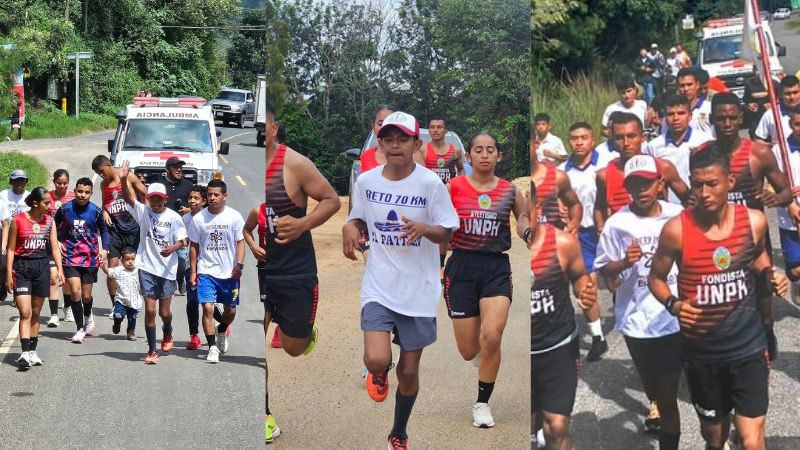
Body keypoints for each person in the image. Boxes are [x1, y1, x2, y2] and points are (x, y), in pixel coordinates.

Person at [649, 146, 788, 450]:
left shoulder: (753, 222)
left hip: (748, 347)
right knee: (714, 436)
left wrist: (769, 274)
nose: (704, 192)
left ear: (730, 182)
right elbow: (655, 278)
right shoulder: (676, 230)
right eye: (697, 184)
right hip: (703, 353)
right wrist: (673, 304)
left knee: (753, 439)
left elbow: (756, 257)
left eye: (712, 184)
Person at [343, 111, 459, 450]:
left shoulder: (429, 184)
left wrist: (426, 229)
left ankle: (399, 431)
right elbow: (357, 219)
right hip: (380, 282)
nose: (395, 145)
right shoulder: (366, 182)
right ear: (380, 143)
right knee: (377, 359)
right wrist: (350, 227)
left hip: (419, 289)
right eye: (389, 138)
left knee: (409, 372)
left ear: (415, 144)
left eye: (403, 139)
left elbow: (448, 228)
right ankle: (379, 371)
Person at [261, 99, 341, 444]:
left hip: (295, 272)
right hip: (259, 274)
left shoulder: (293, 164)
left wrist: (303, 224)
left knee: (293, 348)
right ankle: (263, 414)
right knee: (253, 350)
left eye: (262, 123)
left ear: (274, 128)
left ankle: (304, 333)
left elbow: (332, 199)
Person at [594, 155, 684, 449]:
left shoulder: (678, 215)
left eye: (647, 184)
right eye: (634, 185)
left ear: (660, 184)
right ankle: (653, 400)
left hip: (672, 315)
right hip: (635, 318)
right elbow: (603, 267)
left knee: (668, 396)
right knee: (652, 386)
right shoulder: (617, 223)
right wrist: (622, 262)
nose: (641, 191)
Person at [443, 132, 530, 428]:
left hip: (495, 268)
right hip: (461, 269)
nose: (483, 154)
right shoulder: (451, 187)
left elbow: (523, 220)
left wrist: (529, 233)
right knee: (470, 350)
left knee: (492, 336)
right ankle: (484, 354)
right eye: (477, 150)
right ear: (468, 157)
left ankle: (482, 403)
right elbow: (438, 225)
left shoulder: (510, 191)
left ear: (498, 156)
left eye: (490, 150)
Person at [712, 92, 792, 360]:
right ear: (712, 120)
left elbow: (786, 192)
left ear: (741, 119)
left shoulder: (759, 152)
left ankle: (767, 331)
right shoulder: (703, 154)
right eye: (721, 118)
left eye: (732, 118)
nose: (727, 123)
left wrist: (774, 198)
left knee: (762, 284)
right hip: (718, 236)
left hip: (752, 235)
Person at [531, 180, 598, 450]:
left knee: (557, 427)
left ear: (538, 208)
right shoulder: (507, 248)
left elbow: (580, 277)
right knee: (531, 424)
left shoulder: (563, 243)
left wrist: (585, 292)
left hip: (557, 346)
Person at [119, 161, 187, 365]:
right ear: (149, 199)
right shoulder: (144, 212)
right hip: (147, 266)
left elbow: (183, 240)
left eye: (160, 200)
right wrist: (123, 179)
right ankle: (151, 350)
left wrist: (172, 249)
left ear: (165, 200)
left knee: (165, 313)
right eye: (153, 199)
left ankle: (168, 330)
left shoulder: (174, 218)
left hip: (167, 269)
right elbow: (130, 198)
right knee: (150, 310)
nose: (156, 203)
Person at [595, 113, 690, 234]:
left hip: (661, 238)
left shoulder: (663, 168)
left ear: (643, 137)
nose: (626, 143)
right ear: (613, 140)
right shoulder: (605, 175)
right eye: (619, 138)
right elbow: (599, 207)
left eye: (631, 136)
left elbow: (689, 199)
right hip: (624, 239)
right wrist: (600, 226)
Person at [188, 179, 245, 365]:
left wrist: (239, 264)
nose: (212, 198)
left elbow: (240, 242)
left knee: (230, 310)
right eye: (210, 195)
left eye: (216, 195)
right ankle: (212, 347)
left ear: (224, 196)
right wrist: (193, 272)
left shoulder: (234, 217)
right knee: (208, 308)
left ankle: (222, 330)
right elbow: (194, 247)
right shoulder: (198, 219)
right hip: (207, 271)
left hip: (229, 273)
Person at [5, 188, 63, 367]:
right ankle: (23, 353)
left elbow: (54, 248)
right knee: (25, 312)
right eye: (47, 202)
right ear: (36, 203)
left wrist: (59, 270)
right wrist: (8, 274)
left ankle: (32, 351)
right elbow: (11, 249)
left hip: (41, 267)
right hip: (21, 268)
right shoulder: (18, 220)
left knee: (36, 313)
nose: (50, 205)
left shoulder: (50, 221)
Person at [54, 177, 109, 343]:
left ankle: (88, 316)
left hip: (90, 259)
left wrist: (105, 249)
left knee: (86, 296)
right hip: (70, 257)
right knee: (75, 291)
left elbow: (104, 231)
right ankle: (80, 329)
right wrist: (56, 241)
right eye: (80, 191)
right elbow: (53, 227)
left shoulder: (96, 211)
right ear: (75, 191)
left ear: (91, 194)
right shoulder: (64, 209)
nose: (82, 195)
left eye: (86, 192)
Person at [92, 155, 146, 316]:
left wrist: (146, 215)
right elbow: (105, 203)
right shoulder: (103, 184)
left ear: (109, 165)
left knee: (134, 266)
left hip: (133, 228)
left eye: (102, 171)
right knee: (113, 266)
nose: (101, 175)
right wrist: (105, 212)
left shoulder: (128, 176)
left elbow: (145, 193)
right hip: (114, 229)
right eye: (97, 173)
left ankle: (134, 300)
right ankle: (116, 304)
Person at [645, 94, 714, 203]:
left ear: (690, 116)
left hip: (698, 204)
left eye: (681, 113)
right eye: (671, 114)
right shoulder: (653, 147)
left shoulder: (705, 141)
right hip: (667, 207)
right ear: (665, 118)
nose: (676, 118)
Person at [180, 185, 226, 350]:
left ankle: (223, 322)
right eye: (190, 198)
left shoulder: (208, 218)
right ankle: (194, 335)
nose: (192, 201)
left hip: (208, 265)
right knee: (192, 300)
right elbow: (182, 240)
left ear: (204, 201)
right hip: (190, 265)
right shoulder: (185, 219)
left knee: (206, 303)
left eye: (196, 198)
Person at [423, 116, 465, 280]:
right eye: (432, 127)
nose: (435, 130)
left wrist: (456, 183)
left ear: (445, 131)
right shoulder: (423, 151)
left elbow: (461, 169)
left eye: (439, 127)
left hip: (449, 197)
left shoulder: (455, 150)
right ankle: (426, 264)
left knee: (444, 229)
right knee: (427, 229)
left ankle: (440, 265)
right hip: (429, 197)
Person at [766, 108, 800, 311]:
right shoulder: (779, 151)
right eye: (797, 124)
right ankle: (796, 283)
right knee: (796, 270)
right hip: (790, 217)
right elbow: (770, 188)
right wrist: (788, 201)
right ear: (789, 125)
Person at [156, 156, 193, 295]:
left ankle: (180, 279)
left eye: (180, 167)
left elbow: (199, 202)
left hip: (180, 230)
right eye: (175, 167)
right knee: (161, 257)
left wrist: (189, 209)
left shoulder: (188, 185)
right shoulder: (159, 184)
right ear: (167, 169)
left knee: (182, 262)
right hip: (161, 229)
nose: (179, 169)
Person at [46, 169, 76, 326]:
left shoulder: (73, 197)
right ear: (54, 182)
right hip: (51, 242)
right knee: (53, 277)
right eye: (59, 183)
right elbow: (43, 219)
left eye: (65, 183)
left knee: (68, 281)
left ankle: (68, 307)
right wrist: (54, 240)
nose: (62, 186)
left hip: (70, 244)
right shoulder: (47, 198)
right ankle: (53, 314)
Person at [0, 169, 31, 304]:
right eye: (17, 180)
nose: (20, 183)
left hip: (22, 235)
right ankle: (2, 291)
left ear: (26, 182)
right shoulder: (4, 194)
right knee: (3, 264)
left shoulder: (29, 197)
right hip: (5, 232)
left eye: (22, 180)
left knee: (18, 265)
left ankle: (16, 295)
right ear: (11, 181)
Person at [100, 247, 142, 341]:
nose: (130, 262)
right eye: (127, 259)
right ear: (122, 260)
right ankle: (117, 323)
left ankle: (131, 332)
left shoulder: (139, 270)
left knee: (132, 317)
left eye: (133, 259)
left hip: (134, 300)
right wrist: (103, 267)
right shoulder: (119, 270)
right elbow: (109, 272)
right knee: (118, 315)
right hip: (121, 300)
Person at [754, 75, 800, 145]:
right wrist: (774, 146)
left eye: (795, 92)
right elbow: (758, 140)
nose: (792, 97)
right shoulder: (771, 115)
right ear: (781, 94)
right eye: (787, 94)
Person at [674, 68, 713, 136]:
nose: (686, 89)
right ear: (677, 87)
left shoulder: (709, 108)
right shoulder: (673, 112)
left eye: (689, 85)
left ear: (697, 85)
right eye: (682, 86)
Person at [360, 105, 398, 173]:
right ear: (373, 127)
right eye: (380, 124)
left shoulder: (410, 155)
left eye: (390, 124)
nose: (385, 128)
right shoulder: (366, 157)